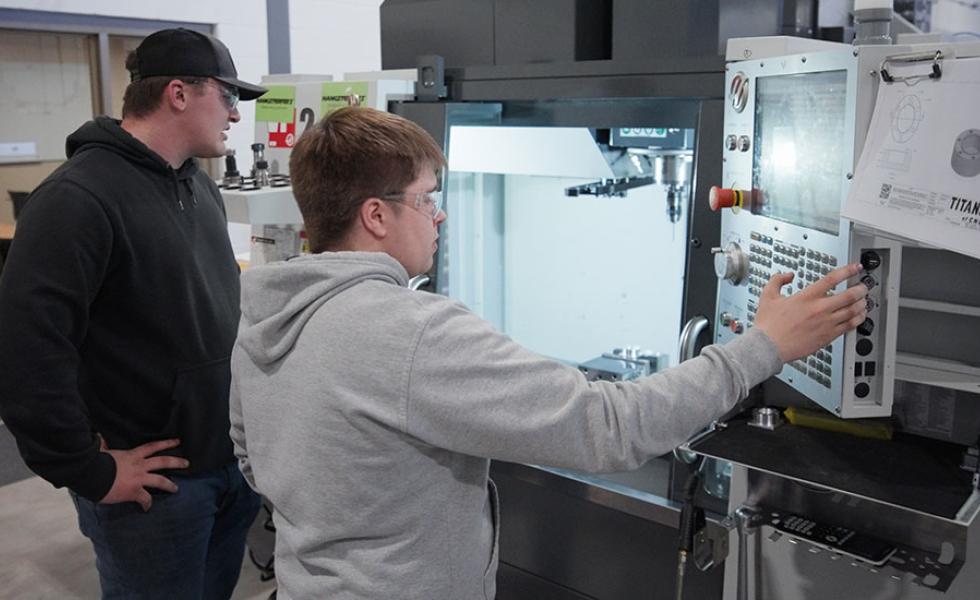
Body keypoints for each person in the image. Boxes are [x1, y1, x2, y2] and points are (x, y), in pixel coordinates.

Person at [229, 107, 868, 599]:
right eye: (428, 199)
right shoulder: (411, 331)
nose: (441, 217)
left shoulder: (265, 312)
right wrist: (762, 348)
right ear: (375, 215)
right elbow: (608, 429)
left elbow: (250, 456)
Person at [0, 28, 267, 599]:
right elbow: (25, 348)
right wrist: (86, 468)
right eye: (228, 97)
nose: (237, 117)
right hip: (154, 489)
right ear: (179, 93)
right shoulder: (77, 198)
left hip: (225, 465)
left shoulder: (198, 187)